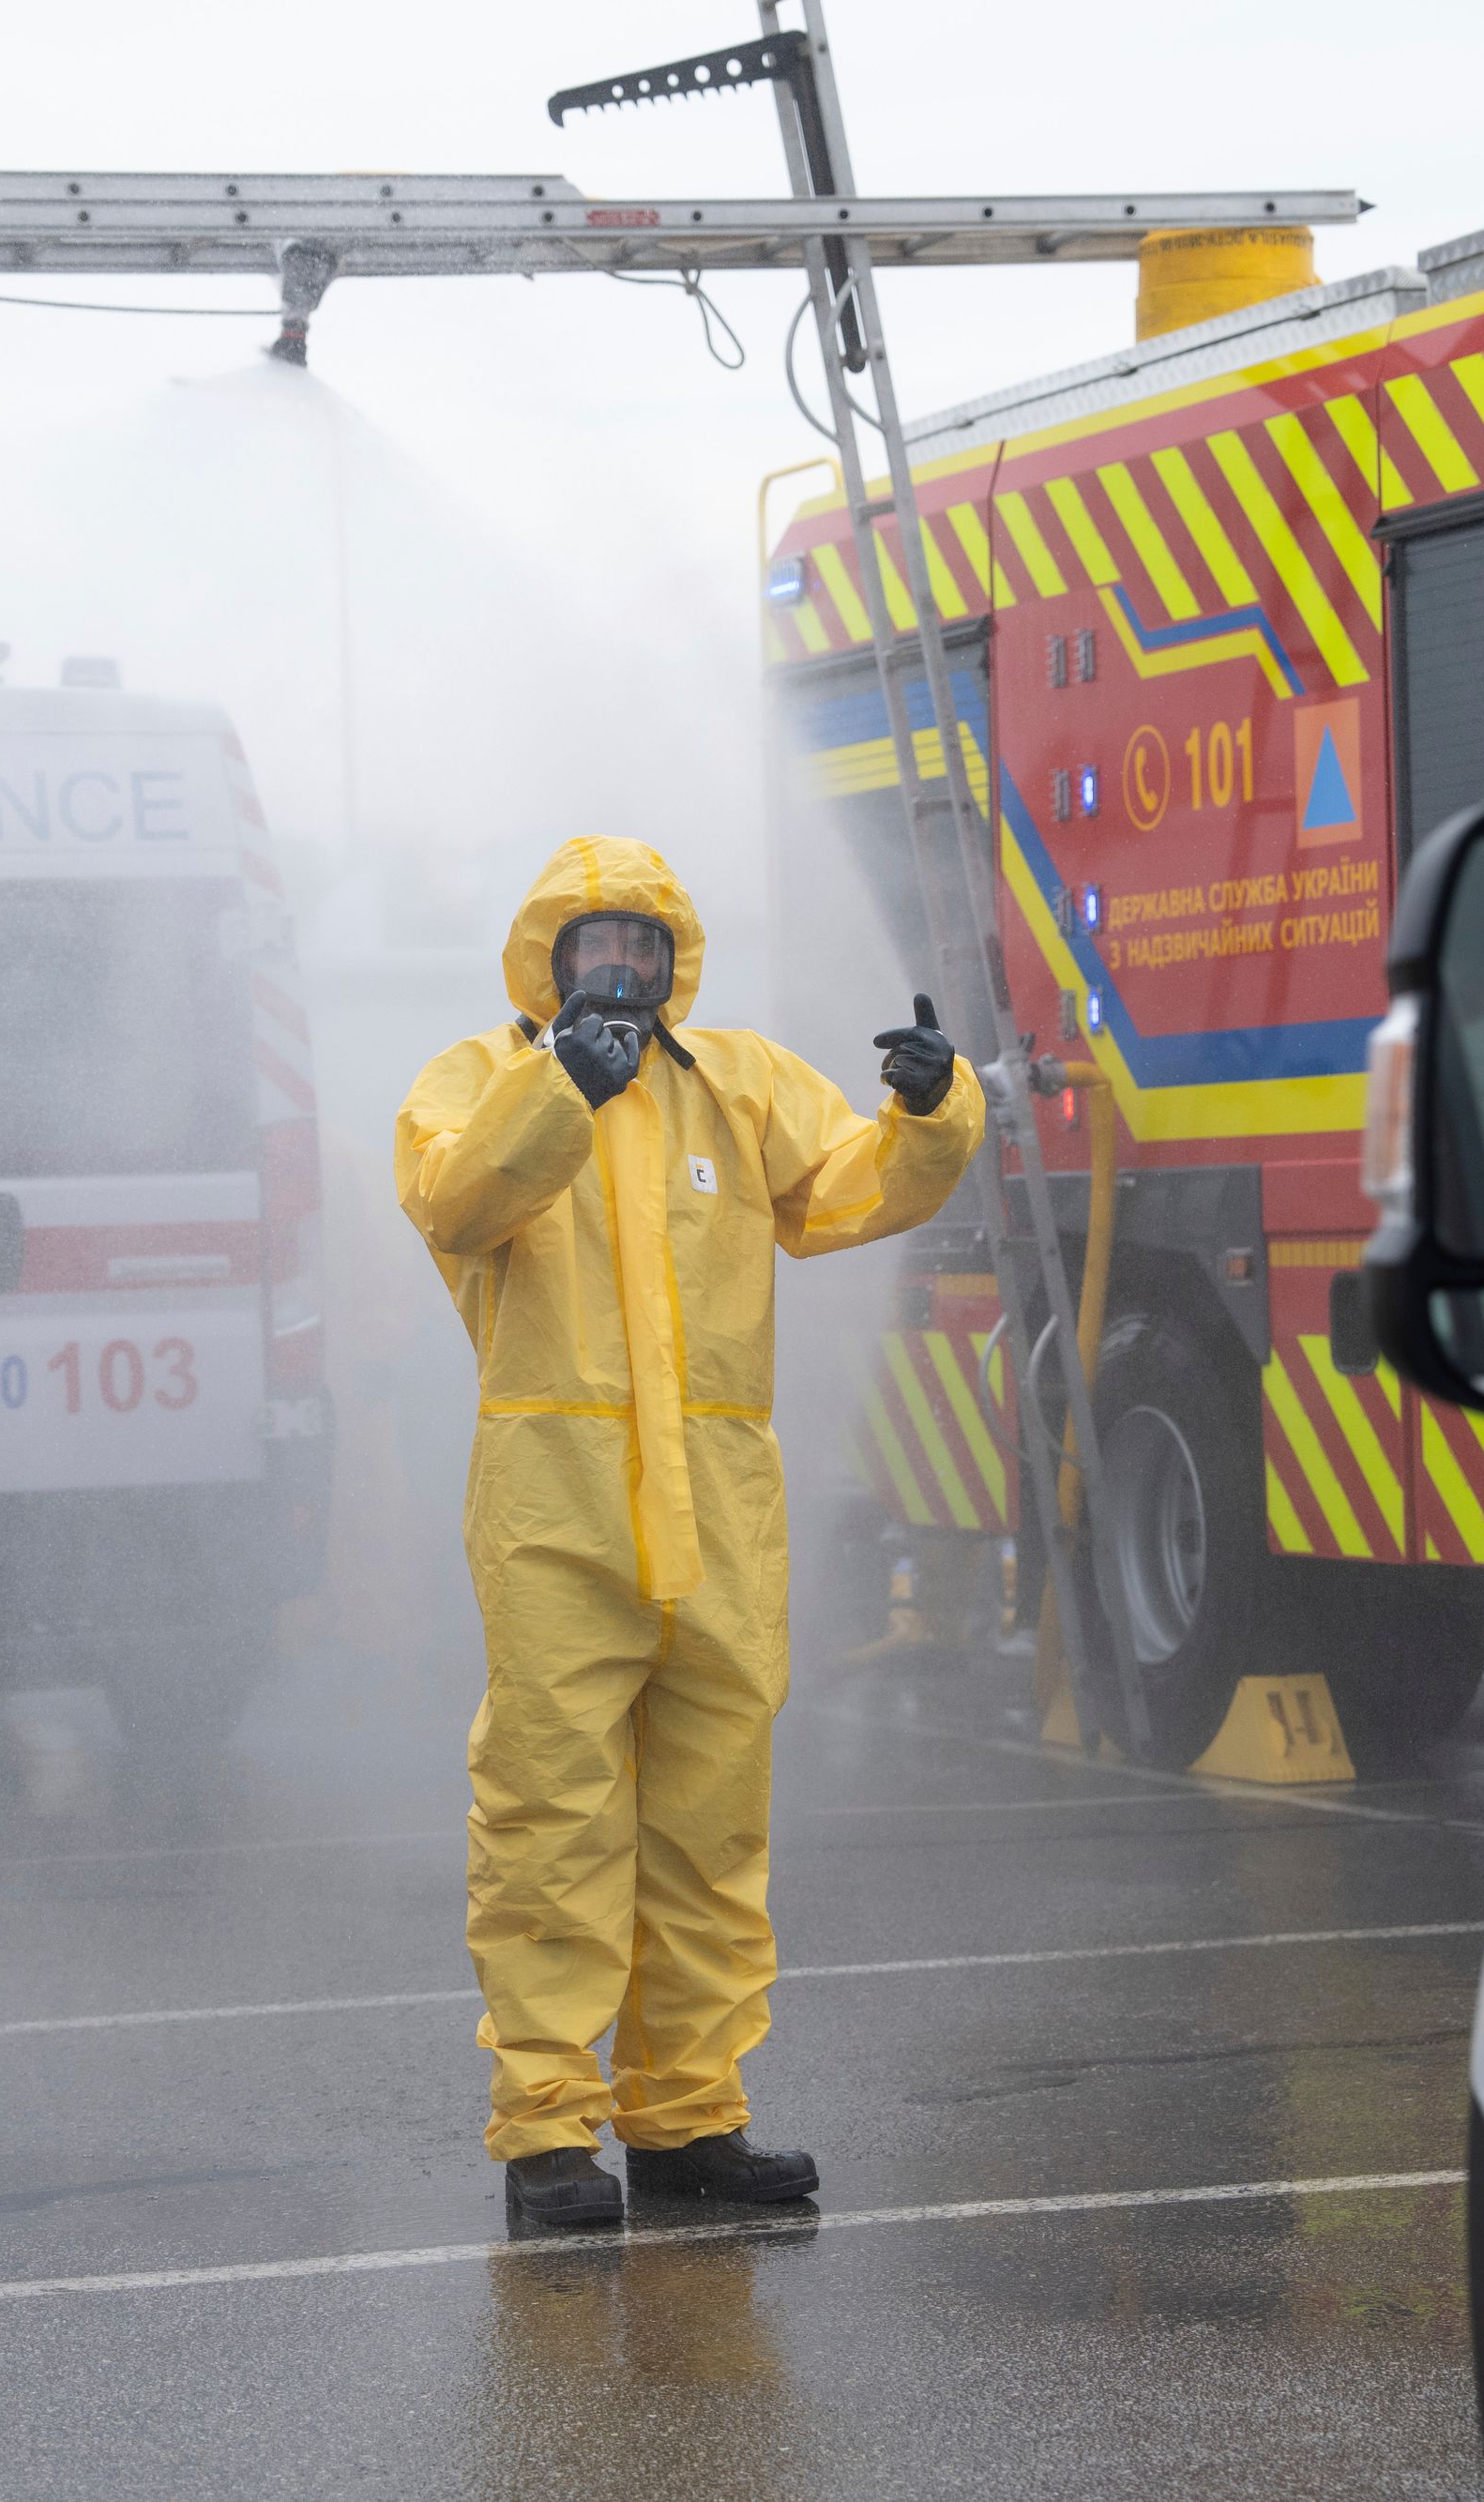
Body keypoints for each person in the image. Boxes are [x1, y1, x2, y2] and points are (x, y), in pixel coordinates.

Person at [396, 837, 983, 2228]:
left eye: (645, 948)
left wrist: (930, 1108)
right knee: (552, 1823)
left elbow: (848, 1190)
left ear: (678, 962)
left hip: (720, 1516)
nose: (623, 971)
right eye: (597, 945)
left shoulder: (739, 1082)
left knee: (712, 1832)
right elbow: (454, 1199)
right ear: (548, 954)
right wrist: (562, 1094)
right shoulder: (480, 1081)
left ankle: (686, 2123)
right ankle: (548, 2135)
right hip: (559, 1510)